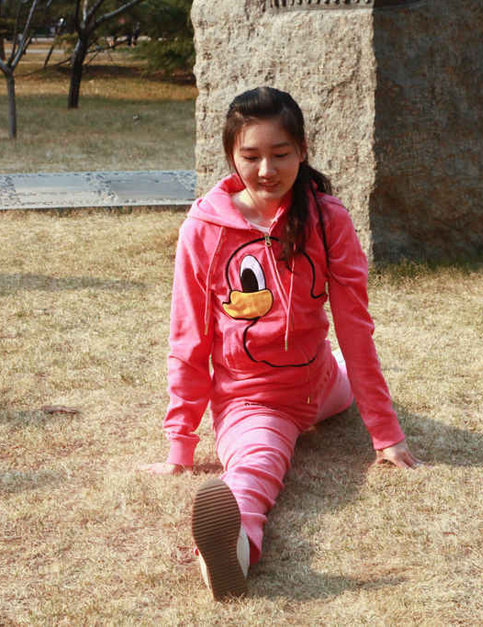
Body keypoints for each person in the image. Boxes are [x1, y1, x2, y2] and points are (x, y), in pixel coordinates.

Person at [144, 86, 422, 601]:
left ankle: (348, 399)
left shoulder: (328, 219)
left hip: (322, 381)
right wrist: (180, 444)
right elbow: (189, 338)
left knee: (344, 371)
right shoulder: (203, 229)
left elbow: (355, 330)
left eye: (280, 154)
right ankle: (234, 551)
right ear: (231, 156)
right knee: (255, 469)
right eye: (251, 156)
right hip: (256, 402)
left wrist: (385, 432)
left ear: (302, 151)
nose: (267, 170)